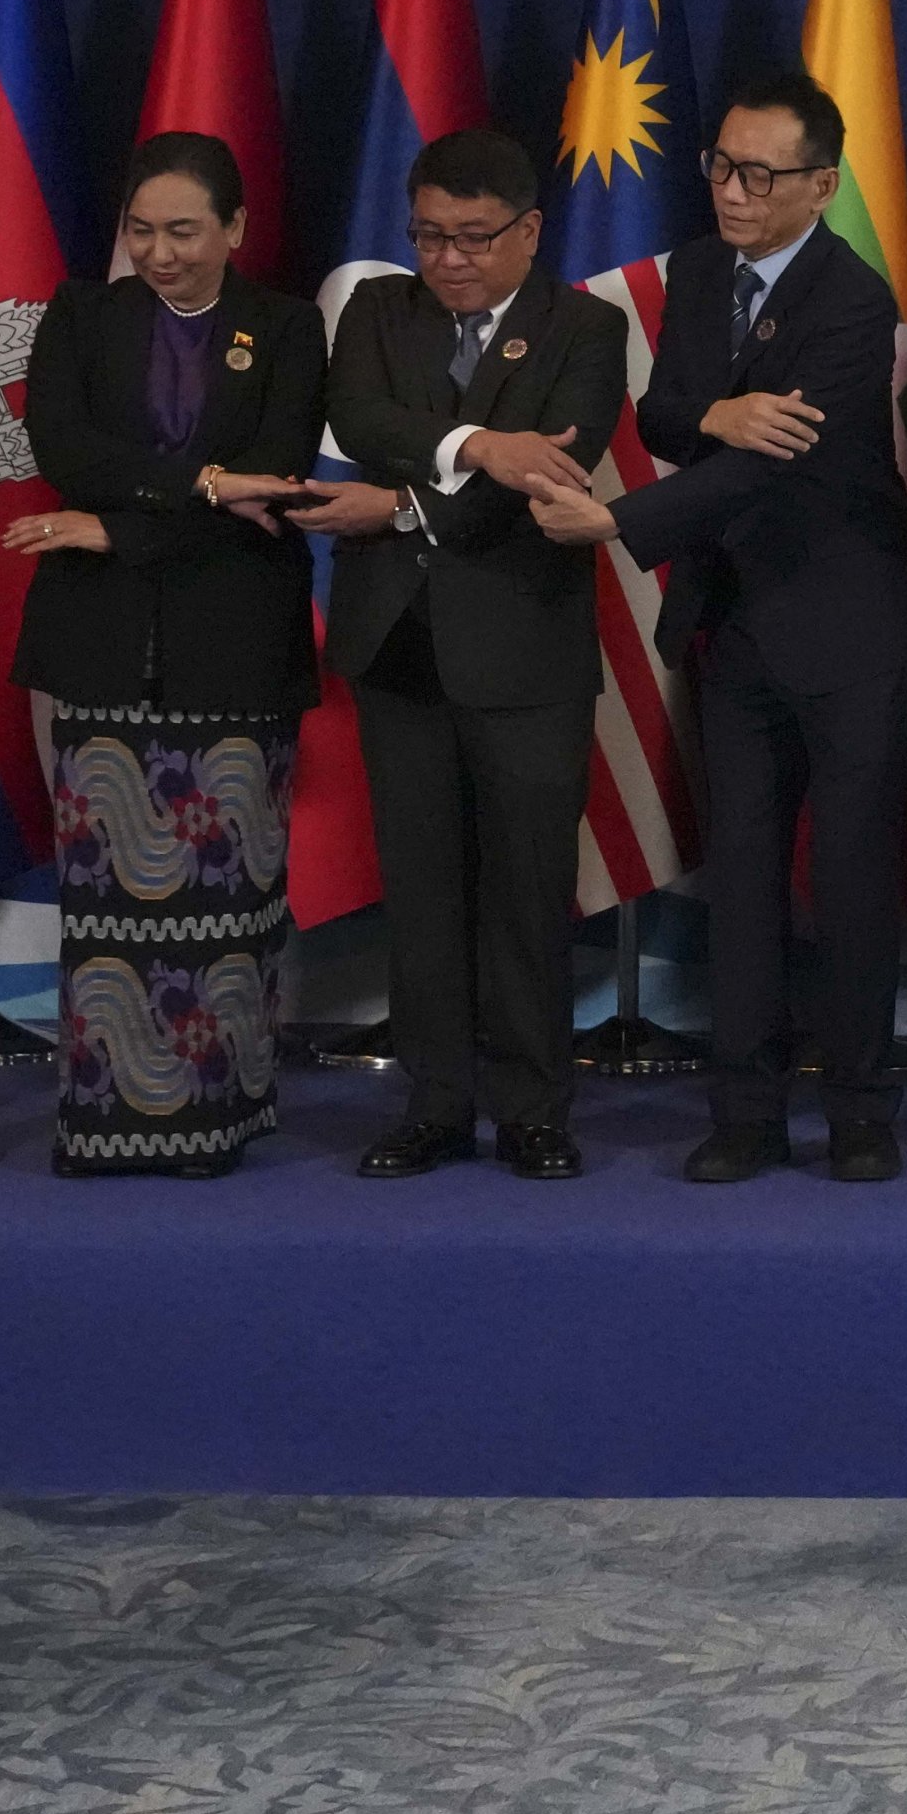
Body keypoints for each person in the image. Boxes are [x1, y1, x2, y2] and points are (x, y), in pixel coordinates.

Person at [528, 70, 907, 1185]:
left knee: (848, 880)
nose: (733, 193)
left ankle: (859, 1110)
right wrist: (707, 408)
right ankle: (745, 1111)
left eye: (760, 175)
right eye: (720, 166)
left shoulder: (852, 304)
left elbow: (763, 464)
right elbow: (661, 410)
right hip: (737, 625)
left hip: (847, 629)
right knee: (740, 877)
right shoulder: (700, 271)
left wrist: (613, 517)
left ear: (823, 184)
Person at [306, 126, 627, 1183]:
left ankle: (535, 1108)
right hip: (399, 648)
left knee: (529, 894)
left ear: (530, 232)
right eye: (430, 236)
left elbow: (553, 477)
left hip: (527, 654)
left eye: (474, 239)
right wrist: (477, 443)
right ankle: (436, 1103)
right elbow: (360, 414)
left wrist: (400, 503)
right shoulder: (374, 310)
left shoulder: (584, 327)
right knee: (425, 892)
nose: (448, 259)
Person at [7, 132, 324, 1178]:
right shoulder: (82, 315)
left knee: (223, 904)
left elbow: (271, 483)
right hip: (98, 650)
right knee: (106, 906)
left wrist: (115, 523)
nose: (160, 251)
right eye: (141, 230)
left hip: (232, 646)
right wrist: (191, 489)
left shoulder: (285, 328)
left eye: (183, 230)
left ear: (234, 230)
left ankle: (213, 1123)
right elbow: (64, 449)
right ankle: (106, 1118)